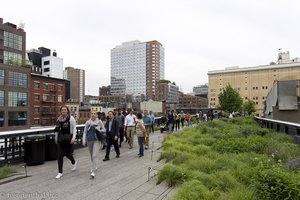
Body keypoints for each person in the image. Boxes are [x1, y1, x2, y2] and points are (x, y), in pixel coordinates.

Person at [54, 106, 77, 179]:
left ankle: (73, 162)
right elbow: (57, 130)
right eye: (62, 110)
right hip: (60, 139)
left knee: (68, 155)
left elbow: (74, 129)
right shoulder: (59, 119)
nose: (63, 111)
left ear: (67, 111)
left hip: (69, 139)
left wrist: (73, 138)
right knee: (60, 155)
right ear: (60, 111)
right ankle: (60, 172)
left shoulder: (71, 118)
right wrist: (56, 138)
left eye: (65, 110)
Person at [82, 111, 105, 178]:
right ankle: (94, 165)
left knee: (95, 155)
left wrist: (98, 129)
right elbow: (85, 132)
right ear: (90, 115)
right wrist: (83, 140)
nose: (93, 115)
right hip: (89, 140)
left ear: (96, 115)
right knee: (92, 155)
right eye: (92, 113)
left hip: (97, 140)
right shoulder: (88, 122)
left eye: (94, 114)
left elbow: (104, 130)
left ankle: (93, 171)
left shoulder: (99, 122)